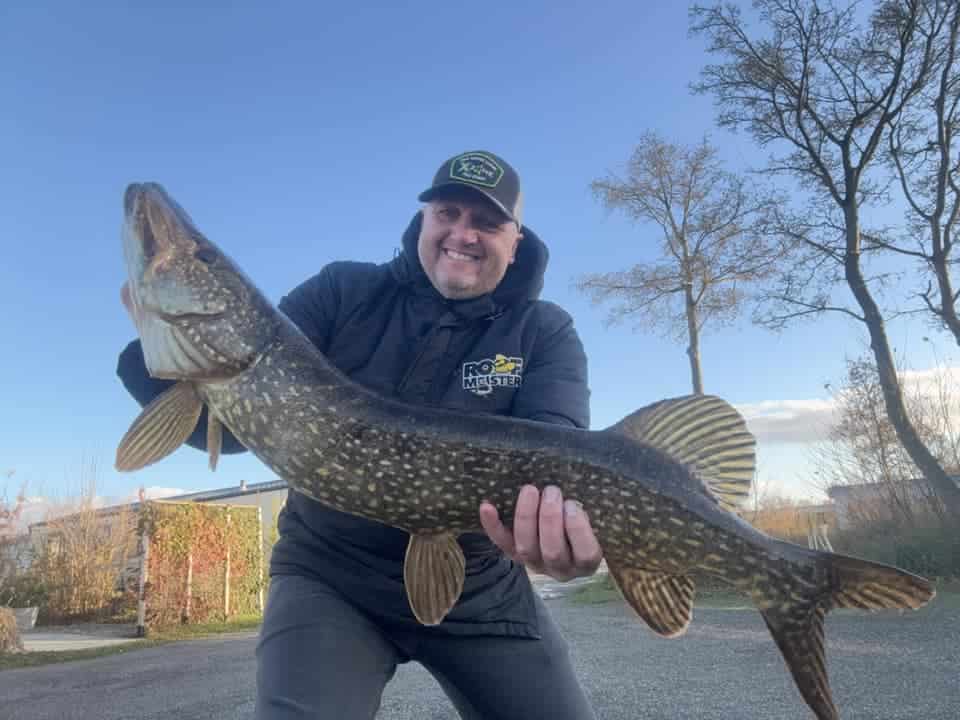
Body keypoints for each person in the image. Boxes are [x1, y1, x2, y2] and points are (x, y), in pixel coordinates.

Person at [117, 150, 602, 719]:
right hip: (328, 576)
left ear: (515, 241)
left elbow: (553, 457)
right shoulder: (341, 291)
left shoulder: (544, 331)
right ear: (424, 220)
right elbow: (233, 428)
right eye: (447, 212)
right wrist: (164, 356)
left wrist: (564, 537)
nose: (462, 234)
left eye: (487, 223)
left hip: (480, 588)